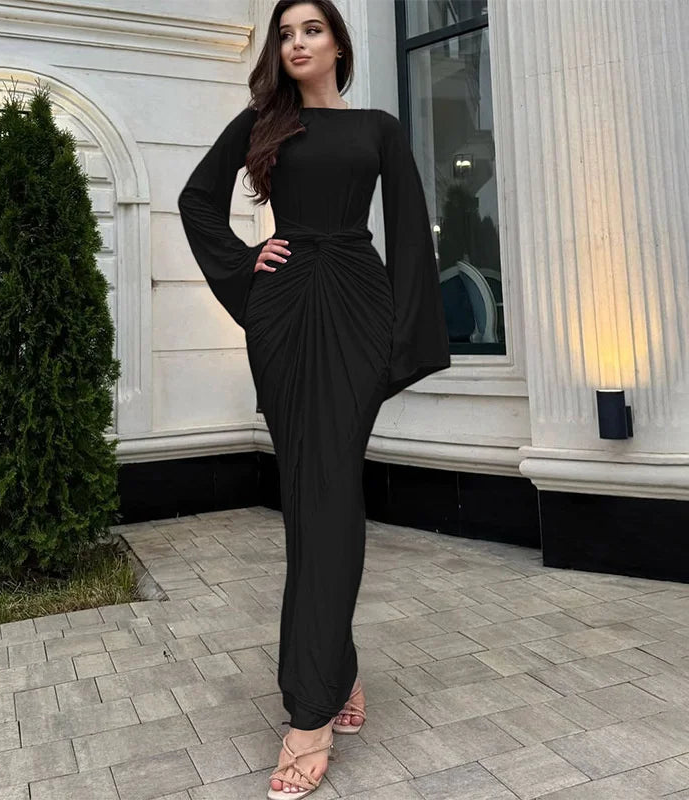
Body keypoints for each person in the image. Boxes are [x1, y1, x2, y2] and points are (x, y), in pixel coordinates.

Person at [178, 1, 450, 796]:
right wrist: (247, 262)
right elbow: (196, 201)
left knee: (328, 495)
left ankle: (309, 713)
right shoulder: (264, 122)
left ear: (338, 45)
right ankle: (338, 669)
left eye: (311, 30)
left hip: (358, 311)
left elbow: (409, 231)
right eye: (286, 34)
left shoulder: (378, 129)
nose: (297, 43)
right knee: (310, 499)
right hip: (286, 313)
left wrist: (400, 340)